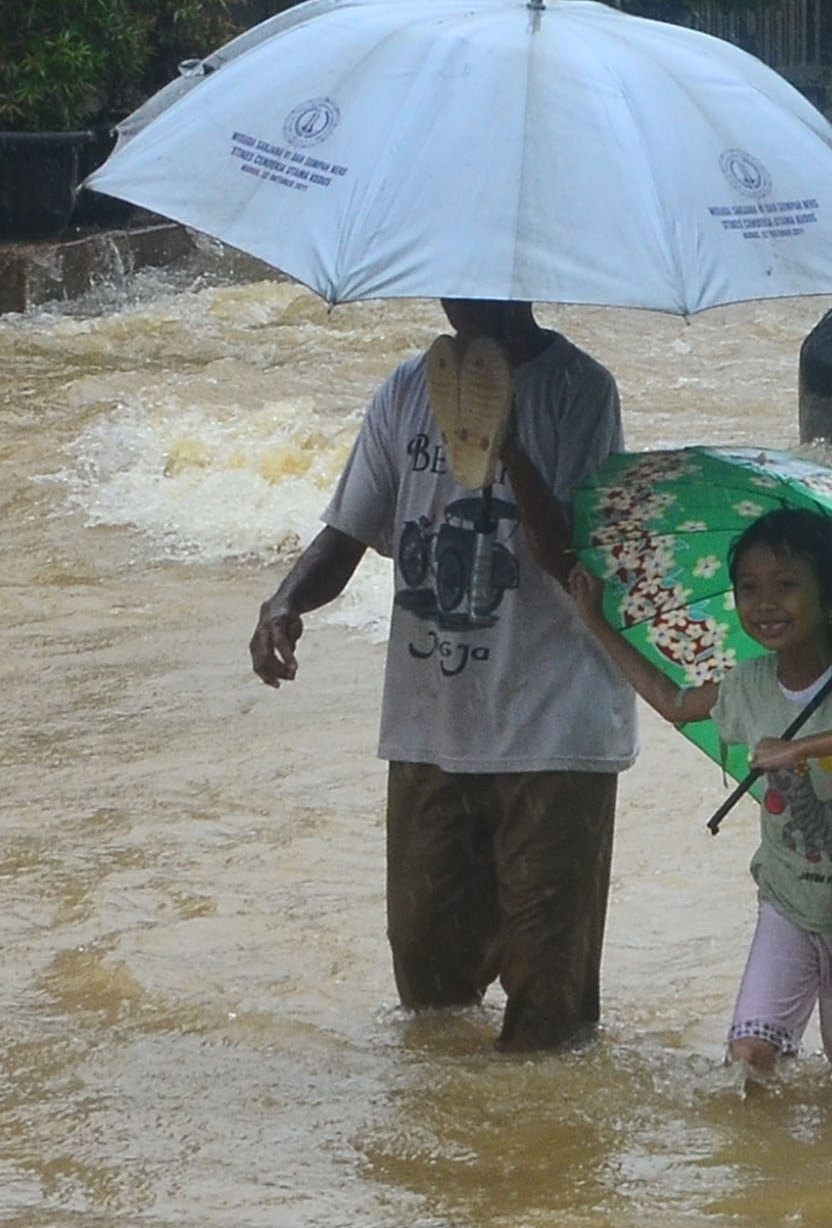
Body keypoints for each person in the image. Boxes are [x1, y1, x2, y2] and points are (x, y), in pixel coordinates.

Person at [249, 300, 635, 1052]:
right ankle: (452, 1158)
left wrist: (511, 451)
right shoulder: (403, 391)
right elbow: (350, 527)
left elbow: (578, 565)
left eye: (479, 280)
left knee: (548, 1011)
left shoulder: (582, 391)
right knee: (429, 991)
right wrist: (285, 603)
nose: (458, 301)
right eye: (447, 282)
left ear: (521, 280)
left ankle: (535, 1160)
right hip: (433, 727)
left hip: (554, 733)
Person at [574, 501, 832, 1086]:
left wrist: (801, 749)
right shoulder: (748, 684)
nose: (764, 604)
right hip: (787, 900)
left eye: (786, 586)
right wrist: (594, 621)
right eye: (749, 588)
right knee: (748, 1059)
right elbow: (675, 702)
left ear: (831, 602)